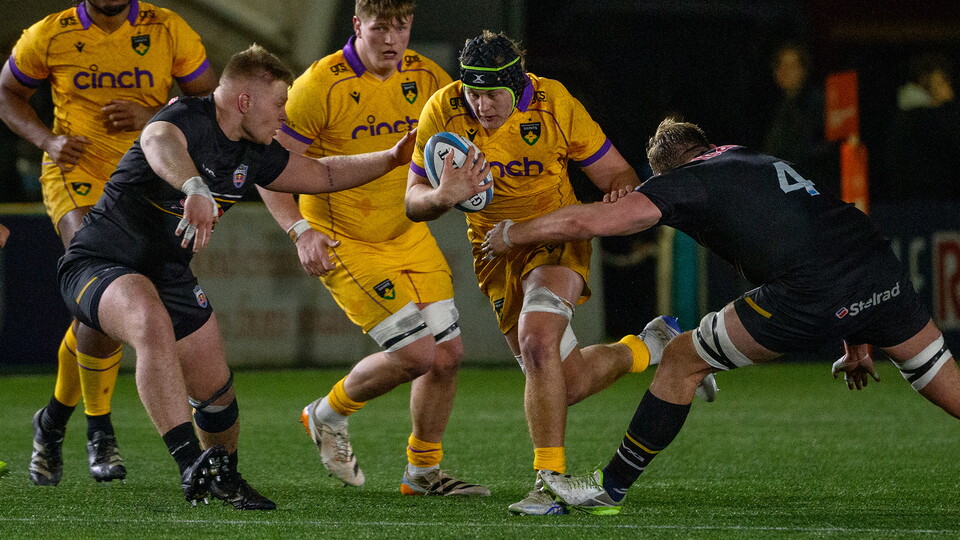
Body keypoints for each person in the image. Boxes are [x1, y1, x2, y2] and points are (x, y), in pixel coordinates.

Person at [481, 118, 960, 515]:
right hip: (877, 266)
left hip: (809, 291)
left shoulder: (684, 180)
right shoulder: (749, 156)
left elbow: (589, 221)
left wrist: (513, 234)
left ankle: (609, 487)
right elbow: (817, 232)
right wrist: (856, 336)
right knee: (946, 385)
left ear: (665, 170)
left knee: (681, 359)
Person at [56, 44, 417, 508]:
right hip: (98, 263)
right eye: (279, 103)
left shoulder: (254, 150)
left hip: (168, 275)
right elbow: (157, 141)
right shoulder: (188, 117)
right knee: (149, 320)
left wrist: (391, 157)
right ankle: (190, 464)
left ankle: (224, 476)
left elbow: (323, 174)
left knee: (217, 395)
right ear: (245, 100)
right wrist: (193, 185)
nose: (284, 115)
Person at [404, 31, 717, 515]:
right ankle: (652, 344)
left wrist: (618, 194)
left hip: (555, 237)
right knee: (564, 386)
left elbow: (618, 174)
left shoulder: (554, 103)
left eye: (493, 94)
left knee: (536, 339)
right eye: (474, 93)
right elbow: (413, 200)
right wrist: (442, 195)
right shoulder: (443, 110)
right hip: (494, 251)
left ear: (517, 85)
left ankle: (548, 481)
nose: (482, 106)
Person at [257, 0, 487, 497]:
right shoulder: (319, 85)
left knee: (448, 355)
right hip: (345, 240)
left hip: (407, 234)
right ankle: (326, 413)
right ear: (358, 25)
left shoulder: (429, 78)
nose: (391, 39)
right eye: (380, 27)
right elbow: (268, 169)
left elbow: (457, 144)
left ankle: (422, 474)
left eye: (400, 27)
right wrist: (300, 230)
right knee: (417, 354)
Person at [0, 0, 218, 485]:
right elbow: (7, 92)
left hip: (147, 179)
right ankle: (99, 429)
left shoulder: (167, 29)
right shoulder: (50, 33)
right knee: (104, 282)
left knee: (99, 307)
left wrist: (153, 115)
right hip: (76, 175)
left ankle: (52, 420)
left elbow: (210, 105)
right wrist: (47, 140)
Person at [882, 52, 960, 200]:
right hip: (926, 199)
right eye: (941, 82)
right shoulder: (920, 116)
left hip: (914, 197)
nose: (947, 88)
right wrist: (948, 106)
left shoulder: (908, 111)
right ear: (924, 79)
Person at [762, 42, 837, 195]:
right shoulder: (775, 106)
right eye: (780, 66)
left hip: (809, 188)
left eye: (792, 66)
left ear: (804, 70)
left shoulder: (818, 104)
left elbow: (825, 149)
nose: (784, 71)